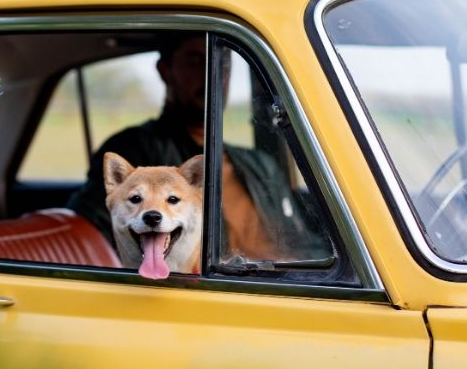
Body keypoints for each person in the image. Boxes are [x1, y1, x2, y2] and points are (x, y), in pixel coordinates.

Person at [67, 32, 322, 262]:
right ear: (166, 71)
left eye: (223, 62)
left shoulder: (260, 165)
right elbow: (92, 228)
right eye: (195, 61)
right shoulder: (134, 149)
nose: (212, 73)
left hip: (285, 284)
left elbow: (301, 243)